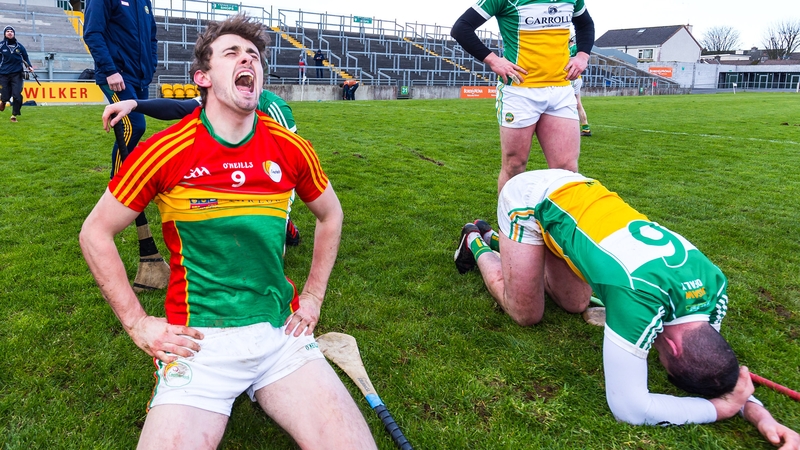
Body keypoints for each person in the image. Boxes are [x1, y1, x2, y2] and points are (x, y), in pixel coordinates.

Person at [79, 15, 376, 448]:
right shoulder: (164, 151)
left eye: (254, 55)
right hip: (199, 343)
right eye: (233, 53)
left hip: (280, 336)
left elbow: (331, 215)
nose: (247, 61)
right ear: (203, 77)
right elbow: (95, 233)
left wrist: (312, 297)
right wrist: (138, 324)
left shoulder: (290, 147)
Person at [453, 169, 800, 447]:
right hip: (529, 200)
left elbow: (717, 368)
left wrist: (757, 413)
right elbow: (630, 408)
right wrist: (719, 410)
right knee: (525, 313)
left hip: (576, 197)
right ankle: (475, 240)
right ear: (675, 347)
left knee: (574, 304)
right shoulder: (638, 302)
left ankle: (508, 245)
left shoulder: (715, 290)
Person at [102, 88, 302, 245]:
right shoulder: (218, 99)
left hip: (270, 170)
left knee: (261, 244)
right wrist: (134, 104)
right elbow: (180, 108)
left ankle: (286, 226)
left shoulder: (275, 108)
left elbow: (292, 161)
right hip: (229, 166)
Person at [451, 0, 595, 193]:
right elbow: (461, 28)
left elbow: (585, 24)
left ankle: (557, 223)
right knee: (514, 165)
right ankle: (507, 223)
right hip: (519, 91)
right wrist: (493, 60)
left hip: (561, 90)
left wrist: (582, 55)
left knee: (567, 169)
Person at [83, 0, 168, 292]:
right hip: (116, 76)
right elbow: (92, 32)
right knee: (134, 125)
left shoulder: (144, 2)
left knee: (133, 129)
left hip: (139, 77)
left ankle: (119, 185)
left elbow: (152, 36)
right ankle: (120, 187)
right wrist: (109, 69)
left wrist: (151, 65)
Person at [0, 26, 34, 123]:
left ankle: (14, 115)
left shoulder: (19, 46)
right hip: (3, 74)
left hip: (17, 74)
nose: (10, 33)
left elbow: (25, 57)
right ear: (5, 34)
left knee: (17, 95)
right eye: (7, 31)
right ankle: (3, 101)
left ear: (14, 33)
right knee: (5, 95)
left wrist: (29, 66)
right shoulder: (1, 45)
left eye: (11, 31)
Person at [569, 35, 591, 137]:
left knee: (564, 104)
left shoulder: (568, 48)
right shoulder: (576, 48)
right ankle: (585, 128)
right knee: (578, 103)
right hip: (577, 78)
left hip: (569, 78)